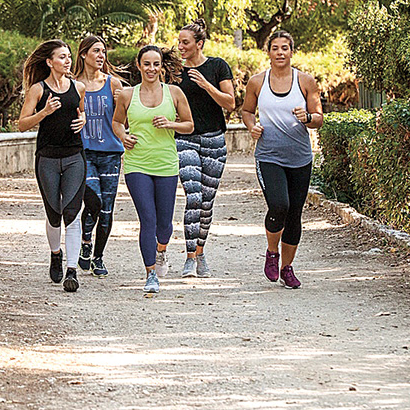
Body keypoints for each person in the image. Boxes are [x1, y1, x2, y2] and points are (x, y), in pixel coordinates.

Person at [240, 30, 323, 289]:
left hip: (299, 157)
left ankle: (287, 268)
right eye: (275, 48)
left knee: (295, 214)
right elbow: (246, 111)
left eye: (284, 48)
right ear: (269, 52)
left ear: (291, 51)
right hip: (269, 156)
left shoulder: (306, 81)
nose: (279, 52)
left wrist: (307, 118)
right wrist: (251, 126)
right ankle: (272, 252)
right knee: (279, 205)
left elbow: (319, 117)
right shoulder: (257, 82)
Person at [112, 45, 194, 294]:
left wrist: (170, 123)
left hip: (166, 163)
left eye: (156, 64)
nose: (151, 69)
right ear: (138, 65)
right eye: (146, 64)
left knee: (165, 225)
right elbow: (116, 122)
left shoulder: (174, 93)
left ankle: (161, 251)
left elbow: (189, 125)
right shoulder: (127, 95)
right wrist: (123, 136)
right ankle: (150, 274)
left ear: (162, 67)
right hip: (137, 163)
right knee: (147, 219)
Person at [17, 40, 87, 293]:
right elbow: (22, 124)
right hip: (46, 157)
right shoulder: (38, 90)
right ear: (49, 62)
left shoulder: (78, 87)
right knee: (54, 213)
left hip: (74, 156)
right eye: (61, 57)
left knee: (71, 212)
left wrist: (83, 120)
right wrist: (44, 112)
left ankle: (72, 270)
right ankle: (55, 253)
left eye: (69, 57)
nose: (67, 61)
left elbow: (81, 112)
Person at [175, 19, 236, 277]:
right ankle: (189, 258)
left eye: (185, 42)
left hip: (214, 141)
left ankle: (200, 253)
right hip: (184, 139)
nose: (180, 46)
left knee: (207, 203)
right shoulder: (175, 72)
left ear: (199, 44)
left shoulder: (217, 66)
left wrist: (205, 84)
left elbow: (230, 103)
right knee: (194, 196)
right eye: (178, 42)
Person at [73, 35, 124, 277]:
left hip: (111, 153)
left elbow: (123, 120)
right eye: (96, 51)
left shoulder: (113, 84)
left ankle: (98, 257)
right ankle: (85, 242)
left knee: (107, 209)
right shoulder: (73, 84)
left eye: (103, 51)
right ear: (83, 54)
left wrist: (121, 104)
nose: (101, 55)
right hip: (84, 152)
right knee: (94, 201)